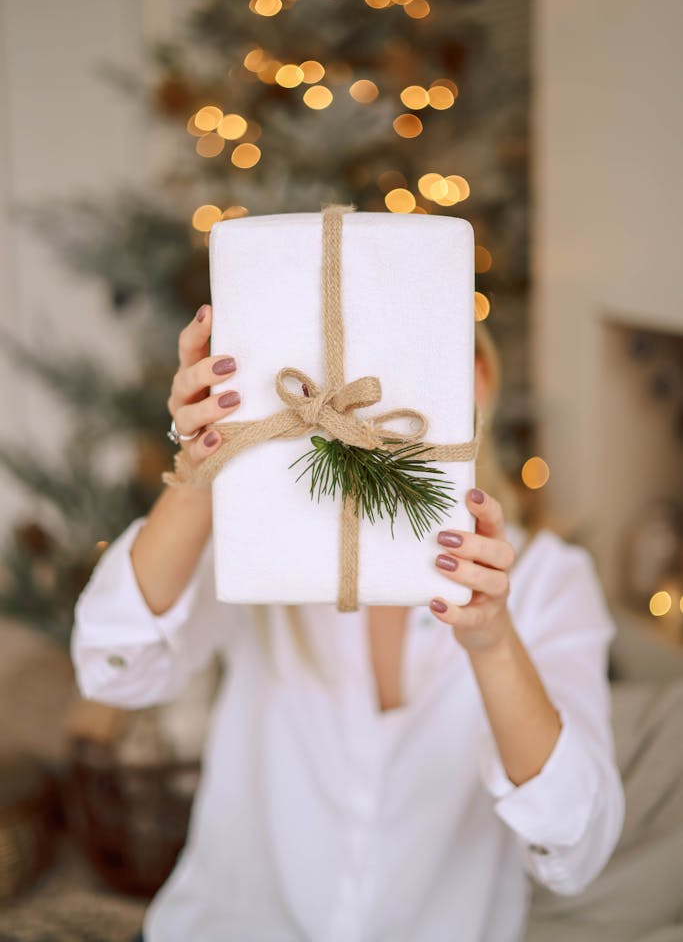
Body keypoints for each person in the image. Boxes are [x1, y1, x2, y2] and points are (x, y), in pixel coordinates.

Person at [70, 303, 624, 942]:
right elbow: (115, 666)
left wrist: (493, 643)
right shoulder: (265, 545)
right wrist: (199, 475)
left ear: (477, 378)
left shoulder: (552, 579)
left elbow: (575, 846)